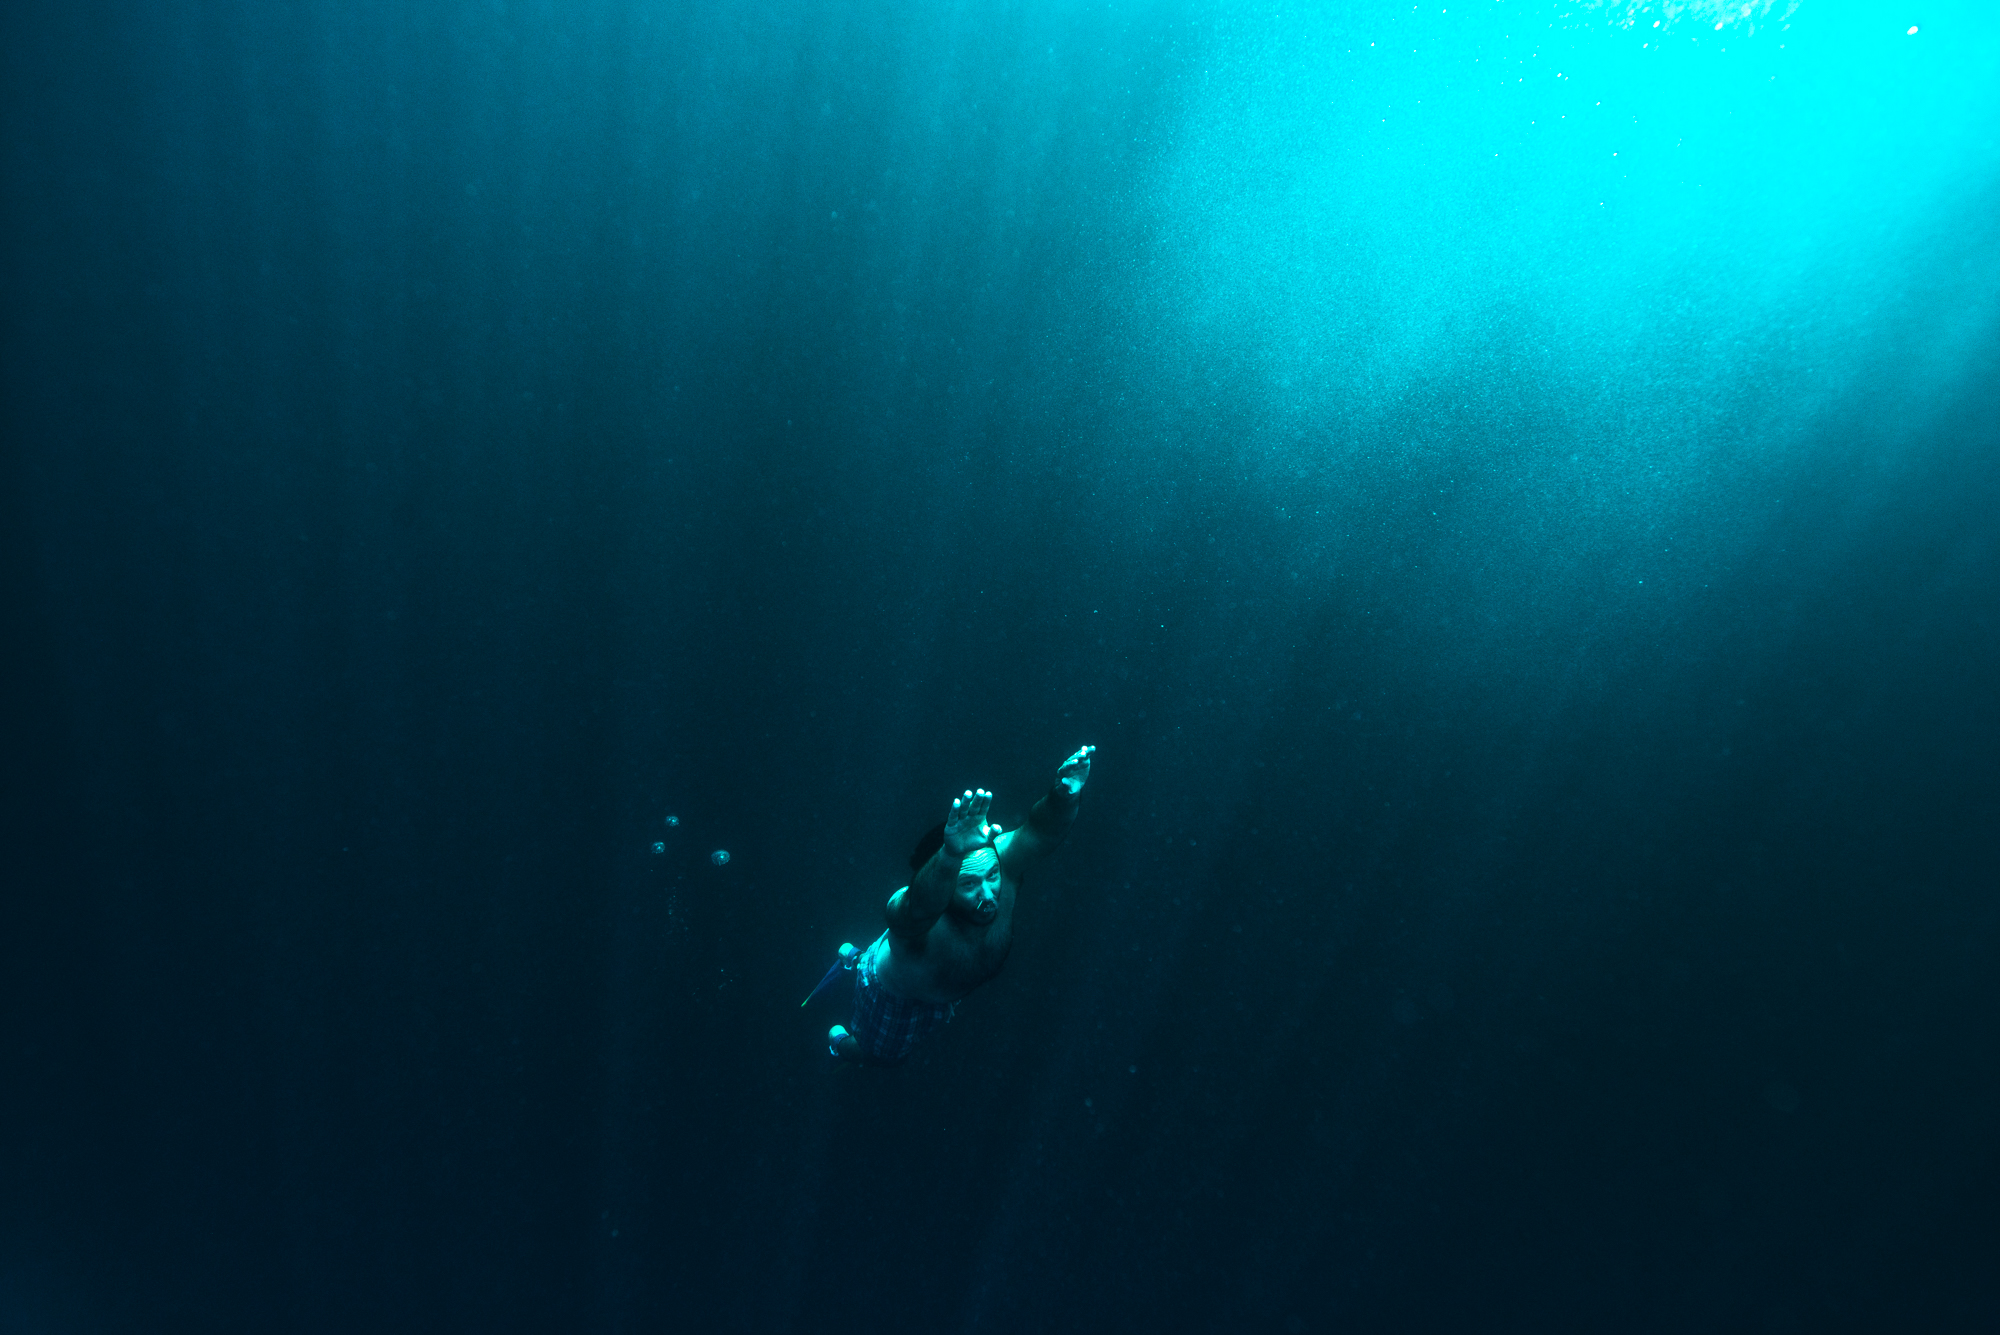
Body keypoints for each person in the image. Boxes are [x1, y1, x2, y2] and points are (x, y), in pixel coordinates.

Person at [829, 745, 1094, 1064]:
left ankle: (854, 957)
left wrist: (1064, 795)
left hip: (938, 994)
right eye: (969, 884)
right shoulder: (918, 916)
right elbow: (912, 911)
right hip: (893, 994)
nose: (988, 893)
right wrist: (950, 855)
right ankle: (838, 1042)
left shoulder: (1002, 863)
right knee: (877, 1056)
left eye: (992, 875)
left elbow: (1041, 832)